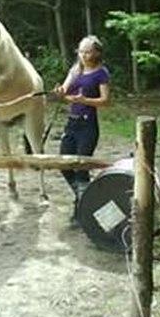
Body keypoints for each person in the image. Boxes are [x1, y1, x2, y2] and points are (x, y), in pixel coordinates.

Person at [53, 35, 110, 225]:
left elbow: (105, 101)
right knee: (64, 163)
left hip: (88, 124)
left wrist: (84, 100)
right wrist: (61, 93)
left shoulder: (101, 73)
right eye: (81, 51)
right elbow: (66, 93)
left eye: (88, 52)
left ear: (96, 53)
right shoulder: (76, 69)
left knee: (81, 166)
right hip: (72, 123)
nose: (84, 55)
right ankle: (85, 197)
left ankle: (81, 211)